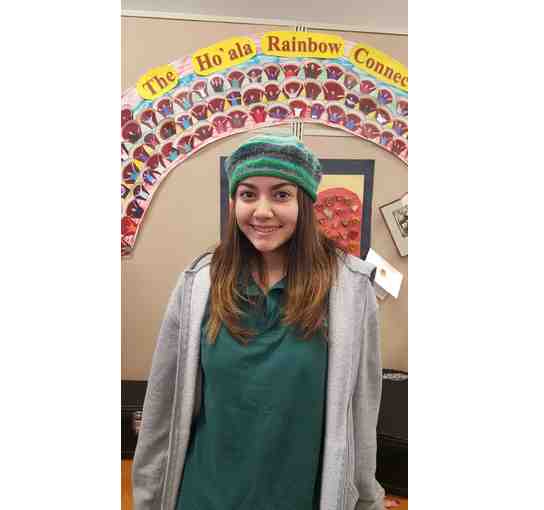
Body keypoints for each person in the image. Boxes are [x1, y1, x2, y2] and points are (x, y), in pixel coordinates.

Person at [133, 134, 387, 510]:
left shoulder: (349, 290)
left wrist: (366, 500)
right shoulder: (199, 284)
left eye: (281, 195)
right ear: (233, 202)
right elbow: (162, 409)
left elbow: (362, 413)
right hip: (204, 497)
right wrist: (148, 498)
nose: (262, 211)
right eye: (248, 194)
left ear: (305, 203)